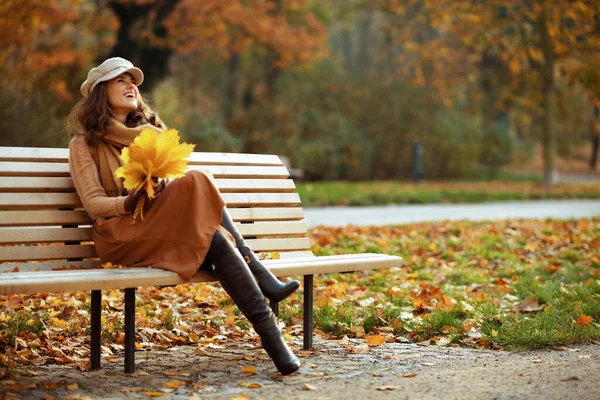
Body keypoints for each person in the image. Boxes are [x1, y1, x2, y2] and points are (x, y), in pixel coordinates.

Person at [66, 57, 300, 375]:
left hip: (158, 225)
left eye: (133, 80)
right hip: (120, 236)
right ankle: (257, 269)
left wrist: (155, 186)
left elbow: (172, 191)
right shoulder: (84, 145)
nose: (131, 85)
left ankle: (274, 341)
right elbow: (93, 205)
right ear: (99, 92)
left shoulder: (150, 134)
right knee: (199, 180)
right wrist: (129, 201)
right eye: (121, 80)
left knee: (214, 233)